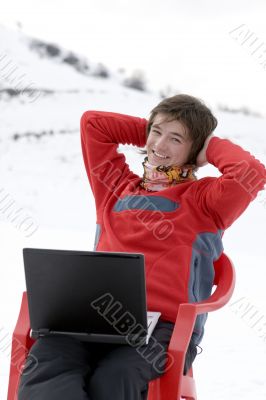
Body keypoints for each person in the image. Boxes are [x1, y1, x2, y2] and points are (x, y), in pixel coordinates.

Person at [18, 94, 266, 400]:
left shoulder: (204, 201)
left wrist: (208, 145)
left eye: (176, 139)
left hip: (162, 330)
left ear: (195, 150)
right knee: (47, 360)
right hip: (94, 316)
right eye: (157, 133)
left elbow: (250, 172)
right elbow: (93, 124)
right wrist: (155, 130)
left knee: (114, 376)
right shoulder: (114, 186)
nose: (160, 146)